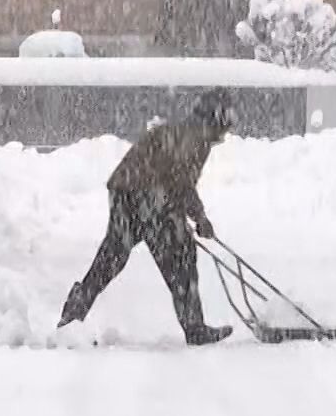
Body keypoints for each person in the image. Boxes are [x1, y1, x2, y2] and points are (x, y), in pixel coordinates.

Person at [57, 89, 236, 345]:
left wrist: (191, 215)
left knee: (112, 259)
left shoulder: (187, 134)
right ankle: (194, 327)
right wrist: (199, 218)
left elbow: (177, 183)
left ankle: (72, 316)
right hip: (142, 196)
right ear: (217, 118)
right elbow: (180, 182)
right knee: (180, 253)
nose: (227, 130)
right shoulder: (193, 138)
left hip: (130, 193)